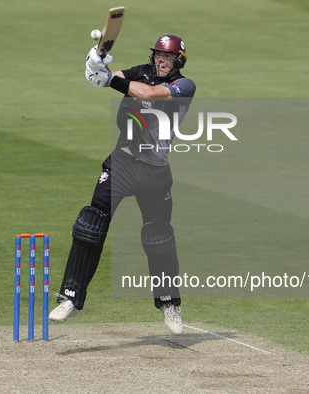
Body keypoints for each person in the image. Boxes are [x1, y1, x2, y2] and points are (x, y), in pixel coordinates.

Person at [49, 34, 196, 334]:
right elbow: (105, 79)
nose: (161, 60)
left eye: (167, 57)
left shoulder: (184, 86)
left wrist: (108, 79)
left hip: (155, 170)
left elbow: (149, 95)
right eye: (158, 55)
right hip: (123, 162)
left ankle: (169, 303)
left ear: (179, 60)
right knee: (90, 224)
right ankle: (71, 298)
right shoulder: (138, 71)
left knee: (159, 238)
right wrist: (95, 63)